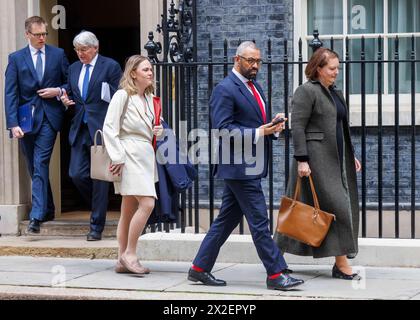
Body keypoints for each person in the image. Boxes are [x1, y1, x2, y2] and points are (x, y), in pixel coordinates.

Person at [188, 41, 304, 291]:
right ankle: (275, 274)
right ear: (236, 59)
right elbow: (222, 129)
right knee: (259, 220)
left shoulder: (256, 87)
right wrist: (258, 132)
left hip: (248, 165)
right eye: (250, 61)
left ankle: (199, 268)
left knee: (225, 222)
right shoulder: (225, 89)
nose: (255, 66)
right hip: (238, 167)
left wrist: (271, 128)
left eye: (258, 61)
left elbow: (256, 125)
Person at [274, 48, 362, 280]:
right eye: (332, 69)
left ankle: (276, 259)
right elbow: (299, 127)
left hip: (335, 159)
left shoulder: (334, 93)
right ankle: (341, 264)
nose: (336, 73)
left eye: (337, 69)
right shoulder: (306, 91)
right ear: (318, 68)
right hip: (314, 161)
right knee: (334, 208)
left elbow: (339, 127)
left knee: (310, 208)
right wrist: (302, 160)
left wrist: (349, 156)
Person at [4, 16, 69, 234]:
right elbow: (10, 93)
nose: (42, 38)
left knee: (41, 162)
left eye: (44, 34)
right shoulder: (15, 58)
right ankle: (48, 207)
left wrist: (57, 91)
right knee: (33, 166)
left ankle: (36, 216)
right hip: (26, 120)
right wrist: (12, 124)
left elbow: (69, 82)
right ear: (27, 34)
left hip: (50, 118)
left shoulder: (57, 55)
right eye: (38, 34)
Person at [102, 55, 164, 275]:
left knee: (128, 209)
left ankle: (121, 258)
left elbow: (154, 126)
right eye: (146, 69)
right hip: (129, 154)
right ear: (133, 73)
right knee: (147, 203)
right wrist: (117, 157)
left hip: (146, 154)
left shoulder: (151, 99)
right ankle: (130, 253)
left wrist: (159, 130)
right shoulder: (122, 96)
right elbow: (110, 128)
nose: (150, 73)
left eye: (150, 70)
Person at [61, 31, 122, 241]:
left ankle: (96, 226)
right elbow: (70, 90)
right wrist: (63, 97)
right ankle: (100, 204)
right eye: (77, 50)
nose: (80, 54)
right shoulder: (73, 68)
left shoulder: (110, 66)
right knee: (76, 174)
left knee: (100, 179)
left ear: (95, 48)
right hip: (79, 128)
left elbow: (120, 95)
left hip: (101, 130)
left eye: (84, 49)